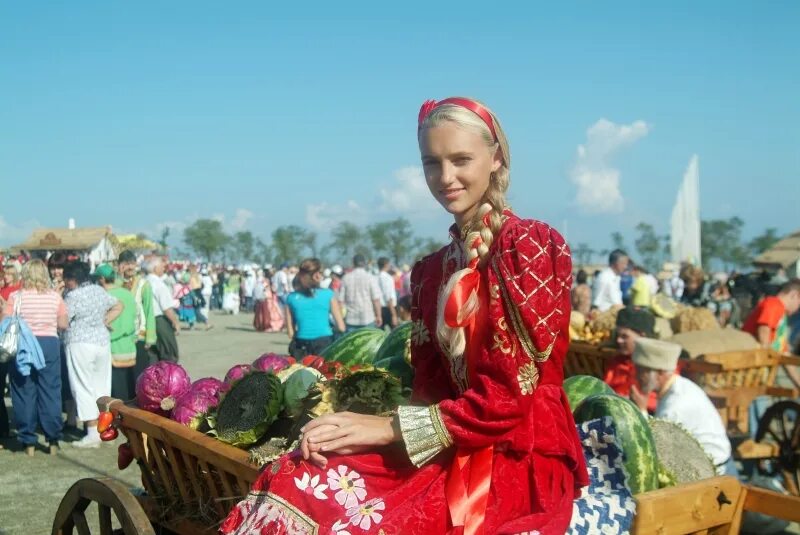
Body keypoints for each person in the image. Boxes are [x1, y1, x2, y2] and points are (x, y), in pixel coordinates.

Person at [222, 97, 587, 534]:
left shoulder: (528, 245)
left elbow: (509, 398)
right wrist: (358, 427)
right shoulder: (431, 271)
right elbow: (430, 390)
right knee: (299, 478)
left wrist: (385, 429)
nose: (445, 177)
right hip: (451, 441)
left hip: (517, 455)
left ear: (496, 158)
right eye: (431, 163)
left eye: (461, 159)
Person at [629, 338, 736, 476]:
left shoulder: (674, 406)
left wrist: (641, 411)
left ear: (660, 372)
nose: (637, 377)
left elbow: (654, 449)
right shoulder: (680, 385)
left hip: (713, 474)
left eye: (641, 371)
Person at [1, 260, 68, 456]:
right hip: (49, 344)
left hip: (23, 345)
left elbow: (5, 322)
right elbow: (63, 324)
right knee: (50, 391)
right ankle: (53, 439)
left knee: (23, 392)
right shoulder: (55, 297)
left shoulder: (16, 297)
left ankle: (28, 440)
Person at [63, 261, 122, 447]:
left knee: (82, 386)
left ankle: (91, 432)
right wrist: (104, 321)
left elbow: (63, 320)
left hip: (80, 342)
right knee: (101, 385)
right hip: (102, 342)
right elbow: (118, 305)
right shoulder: (99, 290)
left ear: (72, 279)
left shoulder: (72, 296)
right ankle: (105, 429)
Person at [285, 259, 346, 359]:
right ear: (317, 275)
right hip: (324, 343)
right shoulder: (328, 295)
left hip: (301, 346)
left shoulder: (291, 298)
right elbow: (341, 327)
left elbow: (290, 333)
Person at [603, 306, 658, 412]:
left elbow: (655, 402)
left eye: (625, 336)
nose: (618, 340)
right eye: (618, 335)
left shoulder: (656, 366)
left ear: (642, 336)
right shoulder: (617, 361)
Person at [95, 264, 138, 400]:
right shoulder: (127, 294)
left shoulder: (103, 295)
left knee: (115, 389)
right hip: (129, 346)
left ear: (101, 279)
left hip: (111, 347)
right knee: (129, 386)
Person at [117, 251, 157, 379]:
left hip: (139, 335)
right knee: (122, 376)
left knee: (138, 375)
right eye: (125, 264)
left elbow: (149, 311)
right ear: (119, 266)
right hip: (120, 338)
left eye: (132, 264)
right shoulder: (115, 284)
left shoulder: (143, 284)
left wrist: (150, 338)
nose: (129, 267)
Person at [742, 279, 800, 355]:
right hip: (753, 356)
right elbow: (764, 330)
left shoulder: (782, 313)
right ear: (794, 295)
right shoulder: (773, 304)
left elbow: (782, 348)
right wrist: (769, 355)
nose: (798, 309)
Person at [144, 257, 181, 362]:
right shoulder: (158, 284)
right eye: (162, 267)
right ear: (155, 268)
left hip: (147, 320)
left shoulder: (144, 281)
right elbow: (166, 308)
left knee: (153, 354)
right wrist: (175, 322)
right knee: (169, 353)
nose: (164, 269)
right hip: (159, 320)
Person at [339, 254, 383, 331]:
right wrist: (379, 315)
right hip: (368, 318)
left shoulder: (345, 278)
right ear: (364, 263)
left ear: (353, 263)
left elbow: (341, 301)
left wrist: (341, 318)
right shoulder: (370, 277)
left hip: (351, 319)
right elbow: (376, 299)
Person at [377, 257, 398, 330]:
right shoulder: (387, 277)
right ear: (386, 264)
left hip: (379, 309)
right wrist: (394, 315)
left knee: (379, 334)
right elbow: (388, 297)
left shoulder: (376, 277)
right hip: (389, 308)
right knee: (395, 334)